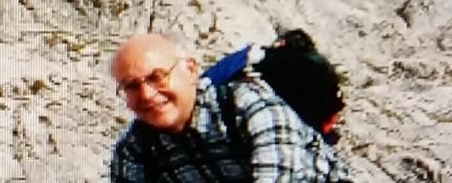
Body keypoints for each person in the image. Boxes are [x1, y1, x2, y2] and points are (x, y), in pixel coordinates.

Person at [109, 32, 353, 182]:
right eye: (131, 86)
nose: (146, 94)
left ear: (191, 69)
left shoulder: (248, 106)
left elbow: (281, 177)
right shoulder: (135, 150)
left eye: (157, 77)